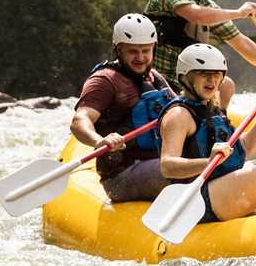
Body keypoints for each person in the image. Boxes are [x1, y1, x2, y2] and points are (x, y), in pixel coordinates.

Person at [159, 44, 256, 223]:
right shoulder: (179, 115)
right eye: (204, 74)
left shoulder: (210, 108)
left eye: (217, 74)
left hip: (219, 185)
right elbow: (167, 166)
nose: (212, 80)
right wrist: (207, 163)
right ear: (185, 77)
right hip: (196, 198)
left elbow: (246, 149)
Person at [70, 14, 176, 202]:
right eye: (133, 52)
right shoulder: (104, 80)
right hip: (121, 175)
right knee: (183, 172)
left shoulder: (155, 78)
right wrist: (100, 141)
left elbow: (180, 112)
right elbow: (80, 120)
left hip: (159, 161)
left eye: (146, 50)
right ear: (119, 50)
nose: (141, 58)